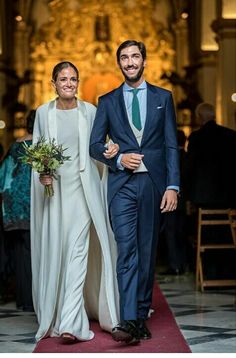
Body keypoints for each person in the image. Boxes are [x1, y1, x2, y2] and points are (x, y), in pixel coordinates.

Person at [89, 40, 180, 344]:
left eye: (134, 56)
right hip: (122, 186)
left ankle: (140, 313)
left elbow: (170, 145)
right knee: (127, 249)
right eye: (124, 58)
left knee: (147, 250)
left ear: (144, 60)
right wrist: (115, 157)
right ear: (119, 64)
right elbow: (94, 145)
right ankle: (129, 320)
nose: (129, 62)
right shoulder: (108, 101)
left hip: (153, 184)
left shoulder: (163, 98)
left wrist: (172, 185)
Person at [31, 61, 120, 343]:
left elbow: (98, 147)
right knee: (60, 250)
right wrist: (42, 175)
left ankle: (71, 323)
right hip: (56, 193)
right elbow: (37, 152)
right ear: (53, 82)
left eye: (73, 79)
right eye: (63, 79)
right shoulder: (43, 113)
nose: (69, 83)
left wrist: (110, 149)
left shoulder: (90, 111)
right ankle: (61, 314)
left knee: (78, 251)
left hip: (83, 191)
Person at [0, 110, 36, 311]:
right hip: (32, 206)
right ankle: (32, 300)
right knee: (34, 253)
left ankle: (23, 300)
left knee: (20, 253)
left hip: (12, 208)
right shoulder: (40, 148)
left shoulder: (14, 147)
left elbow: (2, 176)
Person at [186, 102, 236, 208]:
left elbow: (190, 167)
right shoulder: (231, 135)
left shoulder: (196, 137)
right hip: (229, 195)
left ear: (199, 117)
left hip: (203, 196)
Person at [160, 130, 189, 275]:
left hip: (170, 199)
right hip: (184, 201)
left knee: (170, 233)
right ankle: (183, 264)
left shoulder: (168, 157)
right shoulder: (186, 155)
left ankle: (174, 265)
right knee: (181, 233)